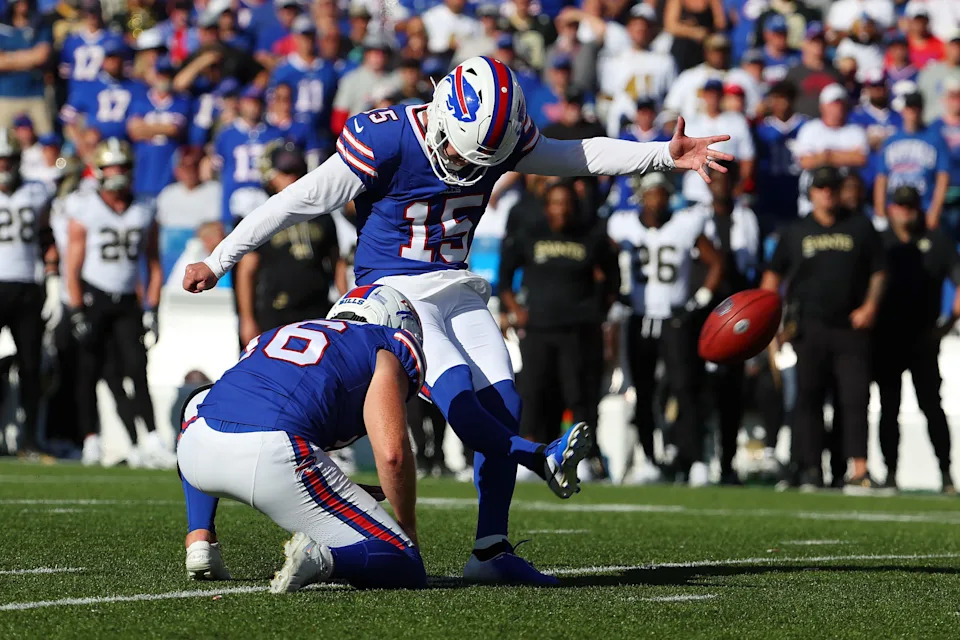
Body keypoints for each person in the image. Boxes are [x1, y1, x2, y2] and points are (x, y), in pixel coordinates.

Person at [183, 56, 732, 583]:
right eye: (459, 150)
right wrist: (219, 258)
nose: (467, 167)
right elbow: (298, 200)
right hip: (391, 291)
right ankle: (526, 467)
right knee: (461, 405)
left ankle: (490, 548)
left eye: (481, 160)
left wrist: (662, 154)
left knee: (504, 402)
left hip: (454, 282)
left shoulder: (501, 136)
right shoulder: (386, 135)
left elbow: (574, 156)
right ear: (442, 109)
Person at [178, 284, 591, 590]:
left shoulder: (279, 332)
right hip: (270, 455)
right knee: (404, 563)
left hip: (196, 451)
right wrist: (406, 530)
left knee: (197, 403)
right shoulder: (384, 345)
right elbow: (392, 454)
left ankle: (200, 537)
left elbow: (219, 405)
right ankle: (322, 559)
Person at [761, 166, 886, 492]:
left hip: (850, 327)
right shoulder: (796, 231)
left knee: (855, 399)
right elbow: (772, 279)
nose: (827, 193)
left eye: (831, 187)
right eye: (821, 187)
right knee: (808, 399)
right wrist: (769, 322)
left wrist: (871, 306)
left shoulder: (859, 226)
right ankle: (812, 468)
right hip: (808, 328)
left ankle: (858, 469)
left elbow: (879, 270)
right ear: (812, 192)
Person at [607, 171, 724, 485]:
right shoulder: (622, 225)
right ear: (642, 197)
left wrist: (700, 298)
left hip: (675, 318)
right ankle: (649, 458)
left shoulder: (685, 224)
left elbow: (716, 262)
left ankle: (695, 458)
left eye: (661, 193)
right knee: (642, 393)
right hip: (638, 317)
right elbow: (605, 259)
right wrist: (616, 293)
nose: (656, 200)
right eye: (651, 194)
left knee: (685, 388)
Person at [64, 138, 173, 468]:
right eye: (112, 167)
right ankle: (90, 440)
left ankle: (152, 438)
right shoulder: (85, 207)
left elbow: (153, 262)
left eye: (123, 166)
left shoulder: (144, 207)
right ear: (98, 171)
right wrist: (76, 308)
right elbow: (73, 265)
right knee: (89, 371)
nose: (119, 174)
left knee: (138, 368)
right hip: (94, 297)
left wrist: (152, 306)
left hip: (127, 299)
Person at [498, 181, 618, 477]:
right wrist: (515, 310)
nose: (561, 208)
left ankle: (581, 458)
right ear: (546, 206)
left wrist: (597, 313)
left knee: (579, 395)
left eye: (566, 203)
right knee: (534, 391)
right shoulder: (530, 234)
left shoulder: (591, 236)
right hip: (538, 328)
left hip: (578, 330)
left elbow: (613, 280)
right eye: (555, 202)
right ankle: (530, 454)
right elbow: (505, 277)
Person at [873, 185, 960, 493]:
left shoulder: (938, 241)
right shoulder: (880, 242)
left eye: (910, 206)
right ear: (891, 208)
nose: (905, 212)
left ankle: (946, 474)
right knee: (889, 406)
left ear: (919, 209)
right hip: (887, 338)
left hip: (923, 338)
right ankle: (891, 472)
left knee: (931, 407)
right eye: (900, 206)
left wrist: (948, 324)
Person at [235, 142, 346, 346]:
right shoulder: (261, 216)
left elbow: (336, 262)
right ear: (270, 175)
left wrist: (344, 305)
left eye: (297, 171)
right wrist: (247, 319)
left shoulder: (322, 214)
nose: (293, 177)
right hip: (274, 312)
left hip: (317, 309)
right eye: (285, 172)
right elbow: (246, 271)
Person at [695, 162, 759, 483]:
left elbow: (751, 269)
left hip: (735, 312)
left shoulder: (746, 218)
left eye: (726, 179)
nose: (720, 185)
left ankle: (728, 463)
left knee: (732, 394)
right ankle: (697, 460)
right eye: (715, 178)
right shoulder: (696, 217)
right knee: (698, 390)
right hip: (703, 312)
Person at [0, 129, 54, 456]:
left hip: (28, 286)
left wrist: (51, 274)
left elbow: (47, 236)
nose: (4, 165)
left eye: (8, 159)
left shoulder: (38, 192)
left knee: (31, 366)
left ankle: (30, 439)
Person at [874, 92, 950, 229]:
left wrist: (935, 211)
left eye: (916, 108)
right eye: (909, 108)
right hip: (896, 208)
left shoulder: (935, 139)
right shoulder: (891, 141)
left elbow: (942, 177)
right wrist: (880, 210)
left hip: (923, 208)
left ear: (922, 109)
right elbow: (881, 177)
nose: (912, 112)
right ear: (903, 110)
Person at [792, 84, 868, 216]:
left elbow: (860, 158)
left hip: (845, 199)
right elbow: (805, 161)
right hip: (812, 199)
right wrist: (844, 156)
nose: (837, 109)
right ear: (823, 107)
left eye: (840, 104)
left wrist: (826, 155)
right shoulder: (810, 129)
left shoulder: (855, 131)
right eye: (833, 104)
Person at [213, 85, 283, 226]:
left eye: (257, 103)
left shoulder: (274, 133)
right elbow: (217, 168)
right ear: (240, 104)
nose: (253, 107)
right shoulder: (226, 134)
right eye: (249, 102)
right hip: (234, 197)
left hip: (264, 195)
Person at [126, 57, 190, 199]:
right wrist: (162, 128)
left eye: (168, 74)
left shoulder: (181, 101)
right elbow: (133, 131)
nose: (164, 79)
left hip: (168, 166)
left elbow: (174, 129)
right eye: (161, 74)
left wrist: (145, 127)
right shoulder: (141, 101)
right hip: (144, 166)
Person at [753, 80, 806, 238]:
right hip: (770, 189)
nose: (781, 103)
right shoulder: (761, 128)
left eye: (785, 98)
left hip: (797, 187)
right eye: (777, 98)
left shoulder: (806, 126)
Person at [0, 0, 53, 134]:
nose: (22, 4)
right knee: (3, 144)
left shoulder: (40, 26)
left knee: (47, 141)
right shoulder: (2, 28)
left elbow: (41, 56)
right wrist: (30, 57)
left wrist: (9, 57)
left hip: (35, 94)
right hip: (7, 95)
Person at [783, 22, 842, 118]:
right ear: (804, 43)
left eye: (821, 41)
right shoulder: (794, 73)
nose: (819, 45)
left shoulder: (835, 72)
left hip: (830, 126)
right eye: (814, 41)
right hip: (803, 125)